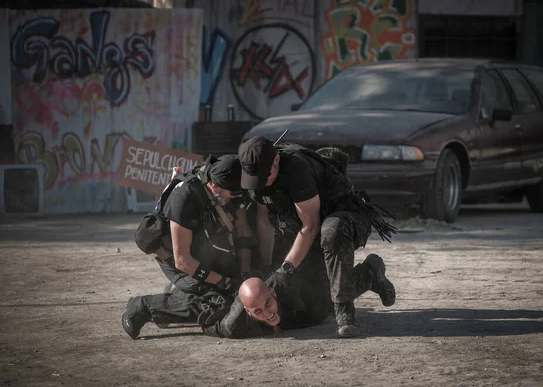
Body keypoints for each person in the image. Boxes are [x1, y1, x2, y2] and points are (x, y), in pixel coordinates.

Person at [237, 136, 397, 337]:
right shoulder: (256, 173)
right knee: (317, 303)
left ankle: (344, 311)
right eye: (256, 179)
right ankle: (370, 274)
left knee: (332, 232)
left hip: (346, 220)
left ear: (276, 160)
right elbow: (264, 222)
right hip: (308, 231)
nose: (262, 182)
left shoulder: (297, 170)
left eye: (266, 175)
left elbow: (311, 226)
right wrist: (268, 266)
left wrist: (285, 269)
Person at [122, 155, 257, 339]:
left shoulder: (228, 183)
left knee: (247, 290)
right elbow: (183, 261)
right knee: (217, 304)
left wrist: (245, 274)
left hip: (205, 253)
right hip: (177, 260)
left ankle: (179, 294)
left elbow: (242, 230)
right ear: (214, 186)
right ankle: (144, 306)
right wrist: (224, 283)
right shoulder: (184, 198)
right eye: (234, 193)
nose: (239, 195)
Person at [201, 251, 395, 339]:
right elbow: (210, 324)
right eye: (258, 311)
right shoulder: (234, 324)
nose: (267, 313)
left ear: (273, 293)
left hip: (310, 285)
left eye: (268, 304)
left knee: (332, 298)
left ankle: (370, 270)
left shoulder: (291, 288)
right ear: (247, 312)